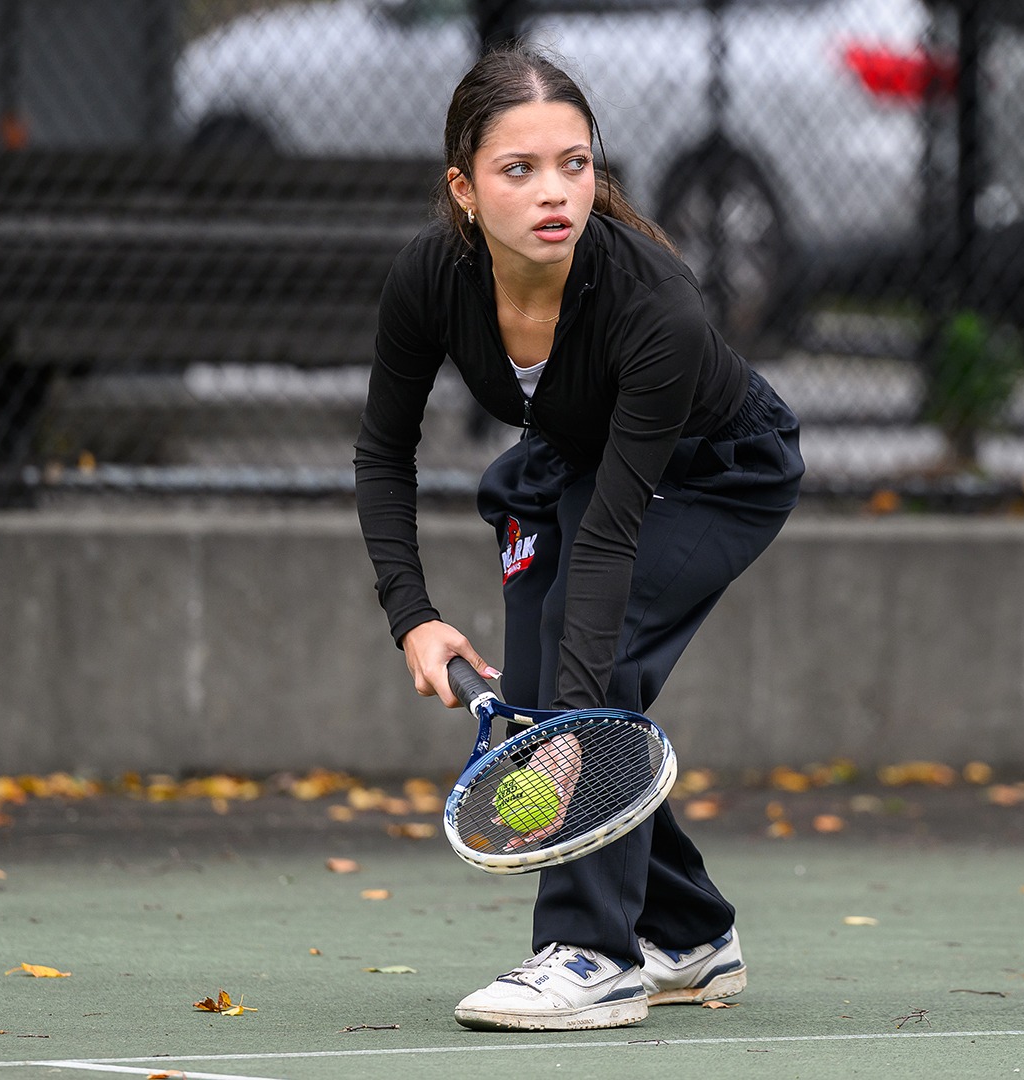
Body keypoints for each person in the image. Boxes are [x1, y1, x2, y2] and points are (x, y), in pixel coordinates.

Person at [353, 43, 804, 1032]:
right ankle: (687, 934)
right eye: (520, 170)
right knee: (545, 701)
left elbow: (607, 546)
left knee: (577, 682)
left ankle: (593, 957)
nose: (556, 193)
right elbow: (384, 453)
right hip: (568, 464)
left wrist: (570, 738)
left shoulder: (655, 306)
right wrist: (414, 620)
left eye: (576, 163)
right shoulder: (431, 278)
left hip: (716, 474)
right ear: (464, 190)